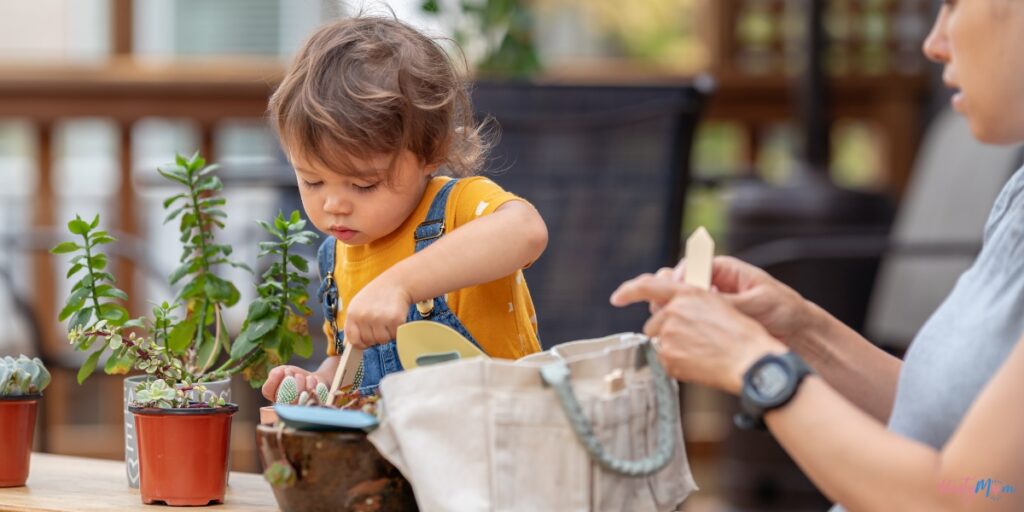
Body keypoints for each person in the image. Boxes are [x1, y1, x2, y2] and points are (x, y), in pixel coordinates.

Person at [612, 1, 1024, 510]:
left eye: (956, 5)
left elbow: (969, 498)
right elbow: (946, 423)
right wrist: (802, 331)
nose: (933, 42)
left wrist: (755, 364)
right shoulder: (1017, 195)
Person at [260, 16, 547, 399]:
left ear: (430, 153)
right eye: (311, 180)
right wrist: (319, 382)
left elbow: (526, 232)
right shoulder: (336, 258)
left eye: (363, 184)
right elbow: (350, 364)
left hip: (496, 440)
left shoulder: (457, 210)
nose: (333, 205)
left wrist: (399, 284)